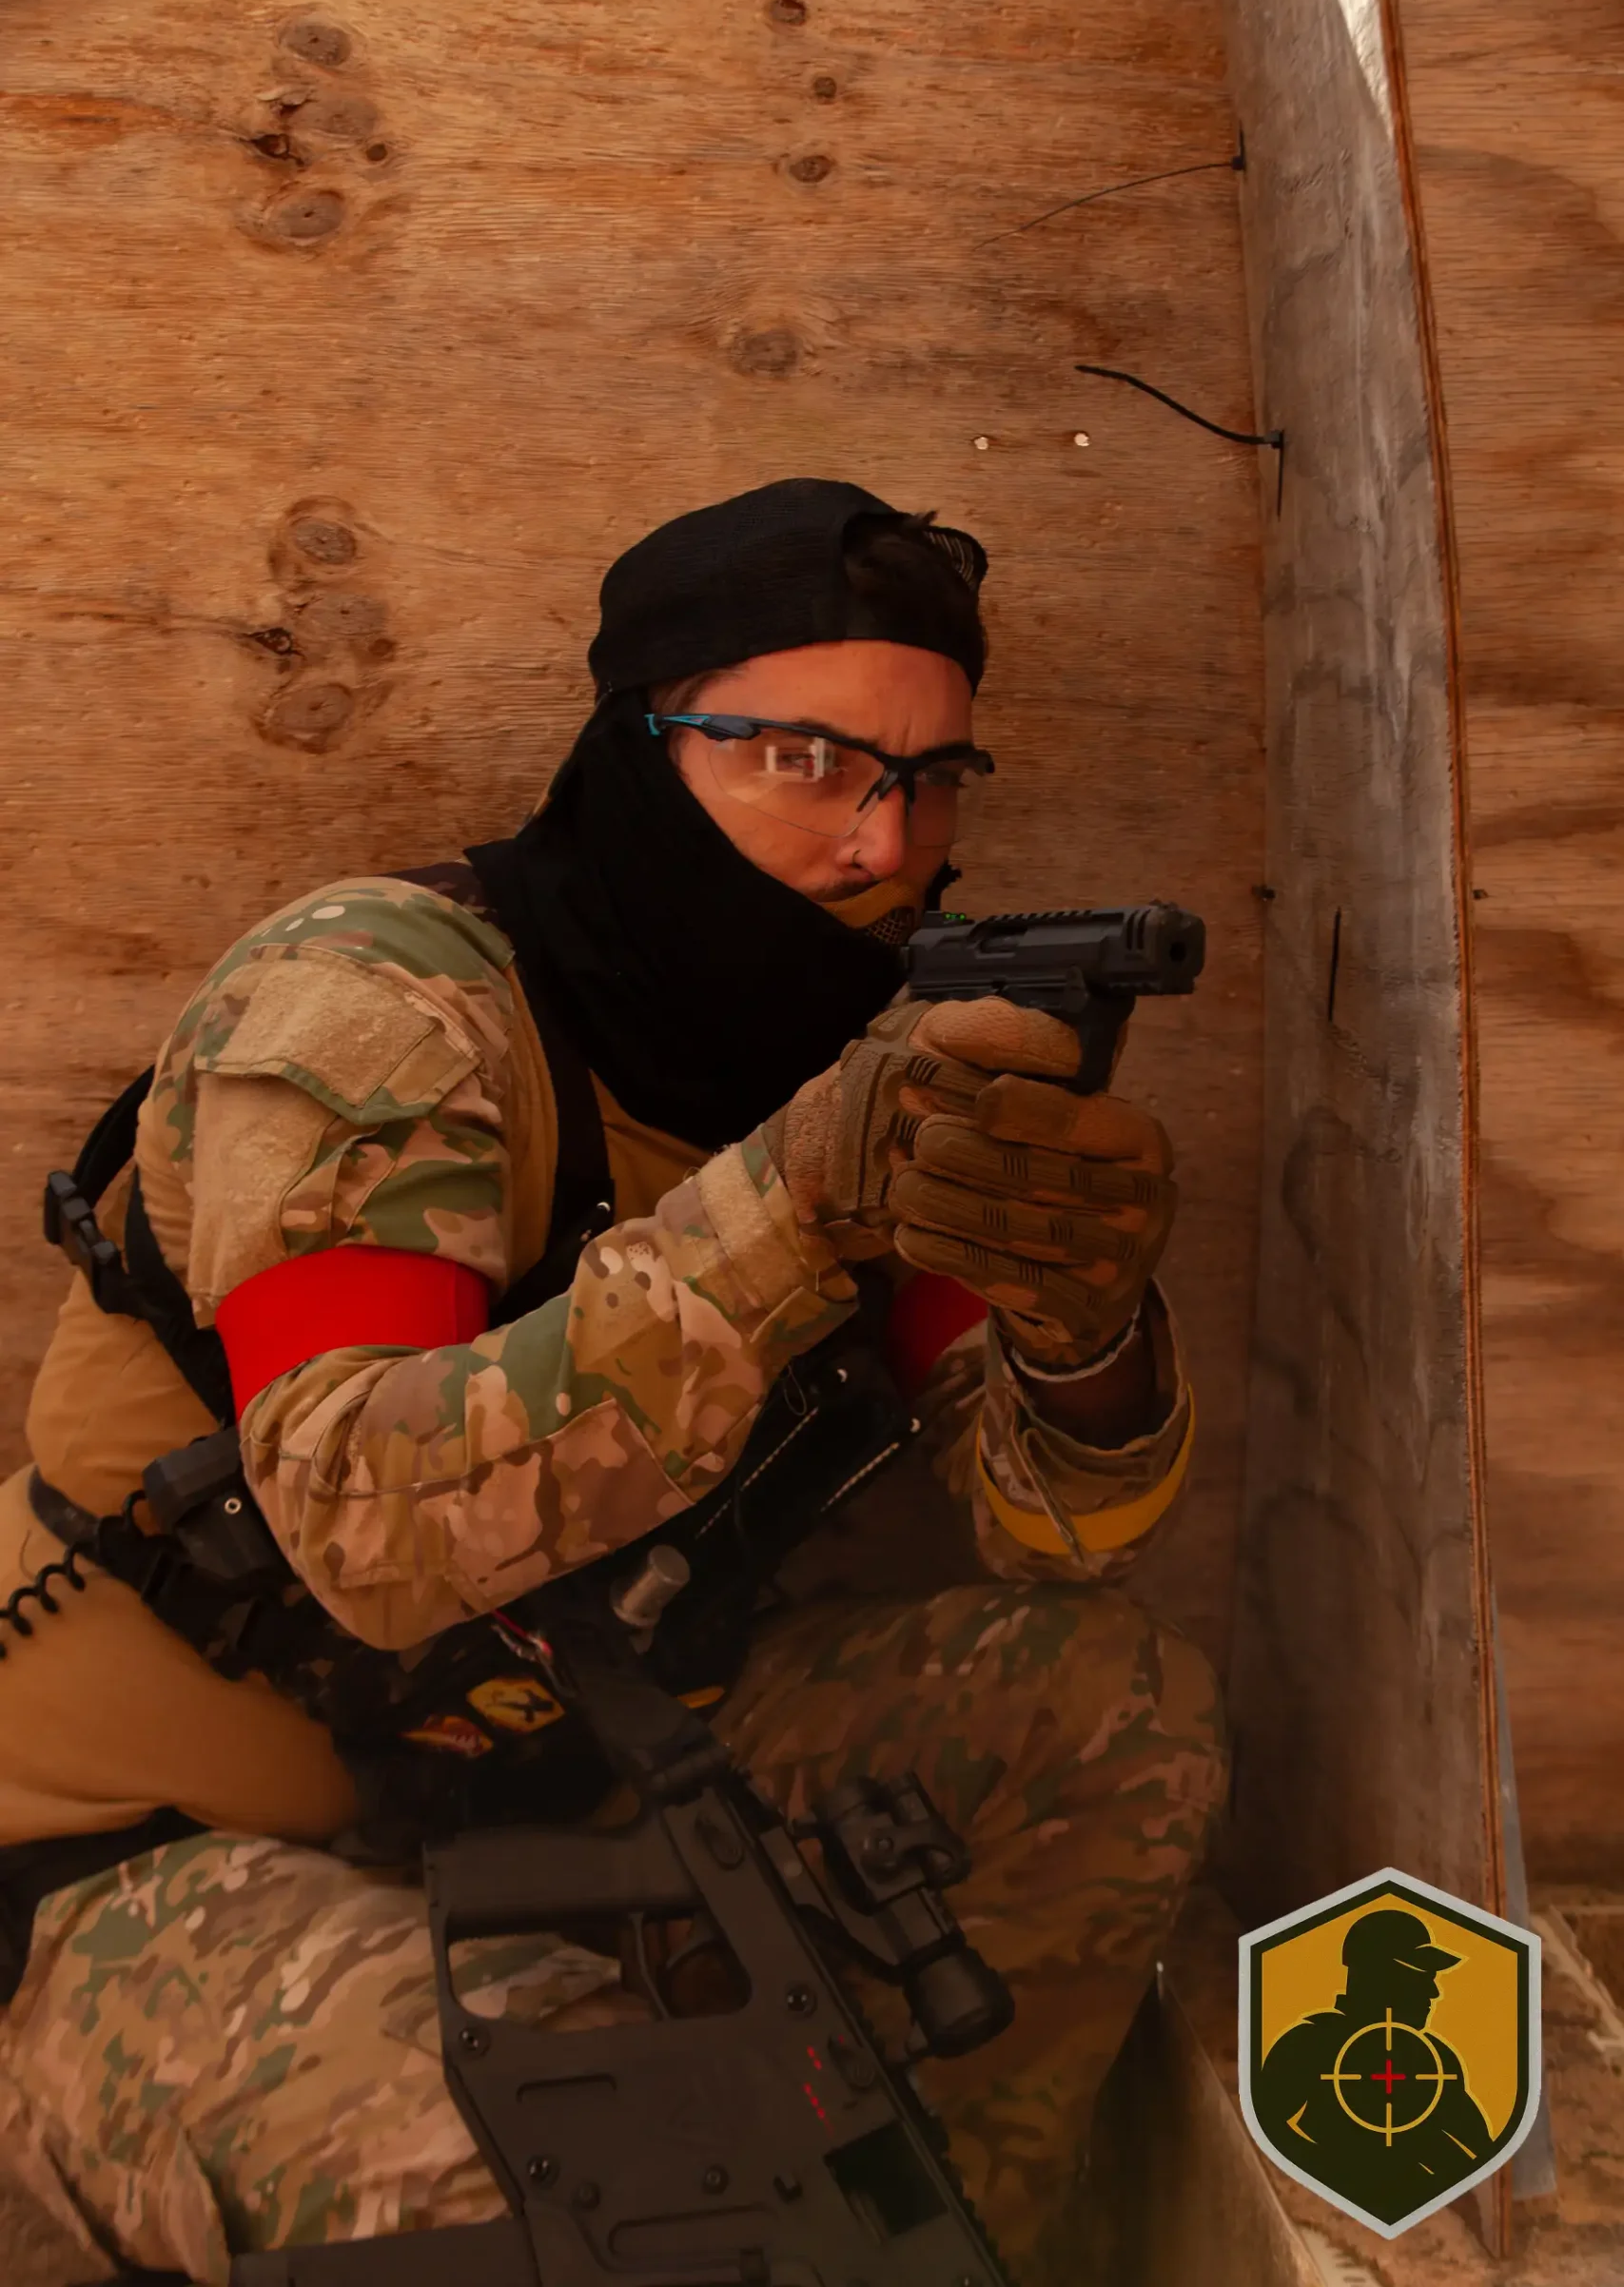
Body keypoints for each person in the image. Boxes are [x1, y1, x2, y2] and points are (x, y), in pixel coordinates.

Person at [0, 479, 1225, 2287]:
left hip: (592, 1794)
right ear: (643, 748)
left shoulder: (868, 1068)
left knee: (1106, 1708)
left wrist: (1083, 1326)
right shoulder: (378, 1003)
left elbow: (1062, 1538)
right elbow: (365, 1531)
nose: (883, 841)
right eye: (803, 760)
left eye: (930, 778)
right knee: (598, 2174)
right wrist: (791, 1209)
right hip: (150, 1866)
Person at [1255, 1907, 1495, 2222]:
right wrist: (1342, 2174)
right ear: (1379, 1973)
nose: (1434, 1992)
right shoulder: (1312, 2043)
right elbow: (1265, 2128)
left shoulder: (1436, 2058)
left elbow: (1481, 2152)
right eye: (1420, 1974)